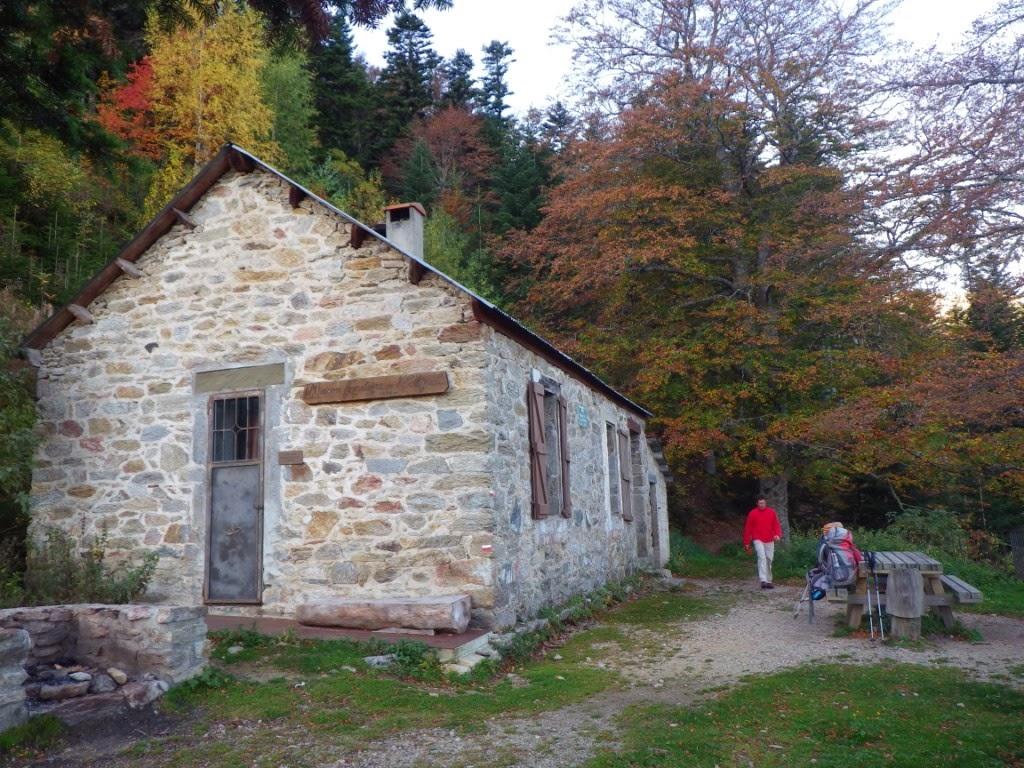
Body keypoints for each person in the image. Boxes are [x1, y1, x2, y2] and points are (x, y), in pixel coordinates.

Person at [743, 497, 783, 589]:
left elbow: (776, 525)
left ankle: (769, 581)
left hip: (769, 538)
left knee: (769, 559)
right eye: (760, 503)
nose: (762, 505)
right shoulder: (752, 513)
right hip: (757, 538)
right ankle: (763, 580)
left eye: (763, 503)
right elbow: (748, 528)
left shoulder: (771, 512)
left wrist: (777, 534)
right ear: (757, 504)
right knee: (762, 557)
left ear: (766, 503)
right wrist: (746, 542)